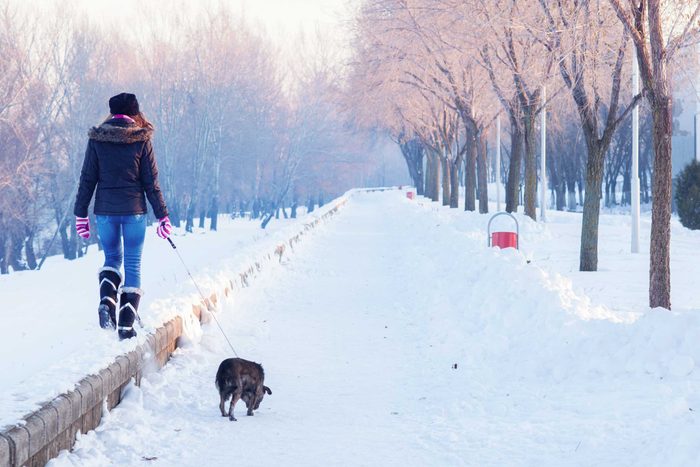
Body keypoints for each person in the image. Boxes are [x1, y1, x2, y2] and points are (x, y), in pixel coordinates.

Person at [73, 93, 172, 340]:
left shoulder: (97, 139)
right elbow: (152, 183)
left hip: (105, 212)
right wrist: (163, 216)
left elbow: (87, 179)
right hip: (135, 213)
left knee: (112, 258)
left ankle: (107, 302)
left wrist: (80, 215)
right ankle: (126, 326)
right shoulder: (141, 139)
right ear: (134, 112)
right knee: (132, 264)